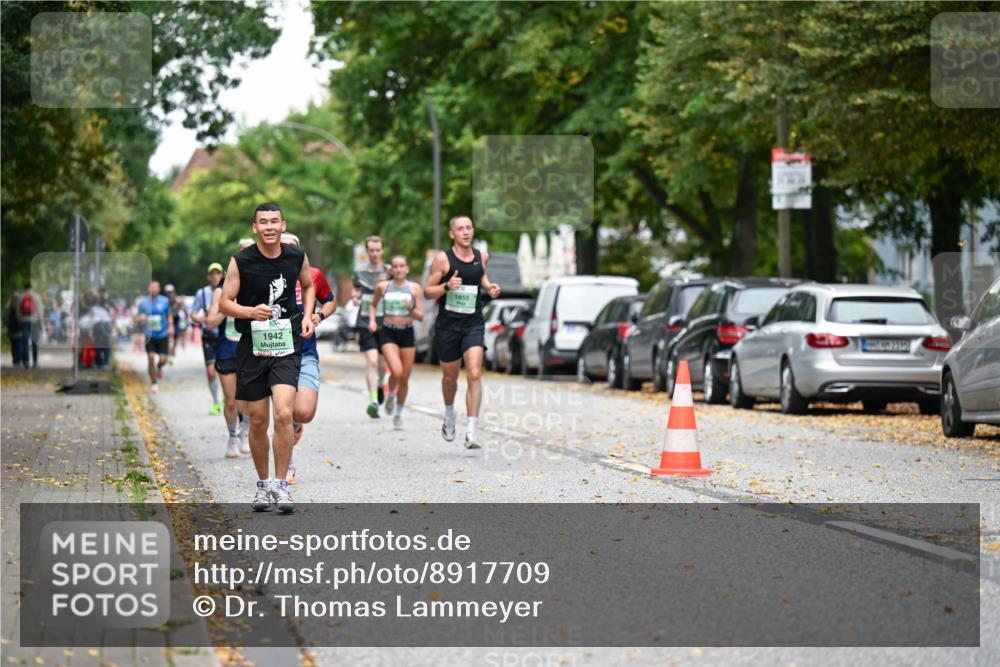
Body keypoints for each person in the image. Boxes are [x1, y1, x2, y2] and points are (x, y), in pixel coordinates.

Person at [219, 202, 314, 514]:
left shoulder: (296, 256)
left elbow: (308, 285)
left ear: (283, 225)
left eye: (275, 221)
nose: (270, 227)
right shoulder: (241, 261)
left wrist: (308, 316)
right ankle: (264, 485)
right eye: (264, 222)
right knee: (258, 419)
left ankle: (283, 485)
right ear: (255, 227)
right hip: (252, 347)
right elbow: (224, 303)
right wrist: (250, 312)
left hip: (286, 344)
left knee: (284, 414)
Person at [424, 215, 501, 449]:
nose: (466, 232)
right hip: (448, 326)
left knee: (475, 373)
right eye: (460, 229)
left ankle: (471, 431)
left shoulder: (482, 256)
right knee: (450, 377)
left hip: (473, 323)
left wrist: (490, 287)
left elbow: (481, 278)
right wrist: (447, 286)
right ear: (452, 234)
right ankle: (449, 413)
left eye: (469, 228)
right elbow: (427, 291)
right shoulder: (442, 260)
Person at [281, 233, 337, 482]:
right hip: (275, 353)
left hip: (305, 351)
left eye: (292, 248)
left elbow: (331, 302)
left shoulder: (314, 276)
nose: (287, 252)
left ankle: (296, 424)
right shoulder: (264, 277)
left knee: (302, 412)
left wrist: (319, 316)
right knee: (280, 412)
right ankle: (287, 464)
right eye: (283, 248)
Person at [368, 254, 423, 430]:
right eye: (395, 266)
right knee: (397, 372)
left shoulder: (414, 288)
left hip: (407, 333)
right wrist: (372, 320)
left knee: (405, 378)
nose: (398, 269)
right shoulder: (383, 287)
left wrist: (411, 308)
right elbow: (373, 305)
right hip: (388, 332)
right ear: (391, 269)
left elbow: (420, 316)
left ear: (407, 269)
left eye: (402, 266)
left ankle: (398, 414)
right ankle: (390, 393)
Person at [205, 253, 252, 458]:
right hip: (226, 349)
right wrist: (227, 306)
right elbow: (210, 322)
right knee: (231, 400)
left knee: (248, 399)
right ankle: (232, 436)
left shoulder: (251, 289)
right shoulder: (219, 292)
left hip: (249, 348)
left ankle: (246, 432)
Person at [352, 236, 391, 419]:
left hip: (386, 322)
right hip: (365, 322)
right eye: (371, 250)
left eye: (377, 250)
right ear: (367, 252)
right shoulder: (359, 273)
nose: (375, 253)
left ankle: (381, 383)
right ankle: (374, 401)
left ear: (382, 251)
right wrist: (354, 297)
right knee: (372, 362)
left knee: (383, 364)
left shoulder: (389, 271)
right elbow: (355, 289)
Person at [191, 263, 225, 415]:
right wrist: (201, 318)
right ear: (208, 276)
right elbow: (193, 313)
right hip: (209, 335)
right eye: (212, 274)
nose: (215, 276)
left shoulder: (227, 289)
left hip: (224, 335)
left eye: (218, 273)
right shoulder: (202, 293)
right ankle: (216, 402)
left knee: (227, 371)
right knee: (211, 372)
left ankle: (228, 398)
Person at [135, 281, 173, 392]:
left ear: (159, 288)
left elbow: (169, 315)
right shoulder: (143, 303)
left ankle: (160, 366)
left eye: (155, 287)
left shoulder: (165, 301)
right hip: (149, 335)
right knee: (150, 357)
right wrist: (140, 318)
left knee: (163, 359)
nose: (153, 289)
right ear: (148, 288)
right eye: (151, 287)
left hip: (162, 334)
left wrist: (171, 326)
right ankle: (154, 382)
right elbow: (137, 318)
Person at [18, 282, 43, 369]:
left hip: (24, 321)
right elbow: (40, 310)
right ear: (32, 287)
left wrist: (19, 319)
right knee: (34, 342)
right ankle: (35, 362)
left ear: (25, 287)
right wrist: (41, 321)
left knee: (24, 342)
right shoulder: (37, 296)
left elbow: (18, 310)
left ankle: (26, 362)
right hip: (35, 321)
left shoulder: (21, 297)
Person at [5, 291, 24, 367]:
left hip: (11, 330)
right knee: (18, 345)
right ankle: (18, 361)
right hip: (18, 330)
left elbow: (6, 318)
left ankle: (15, 360)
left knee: (13, 346)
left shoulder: (10, 307)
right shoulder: (20, 307)